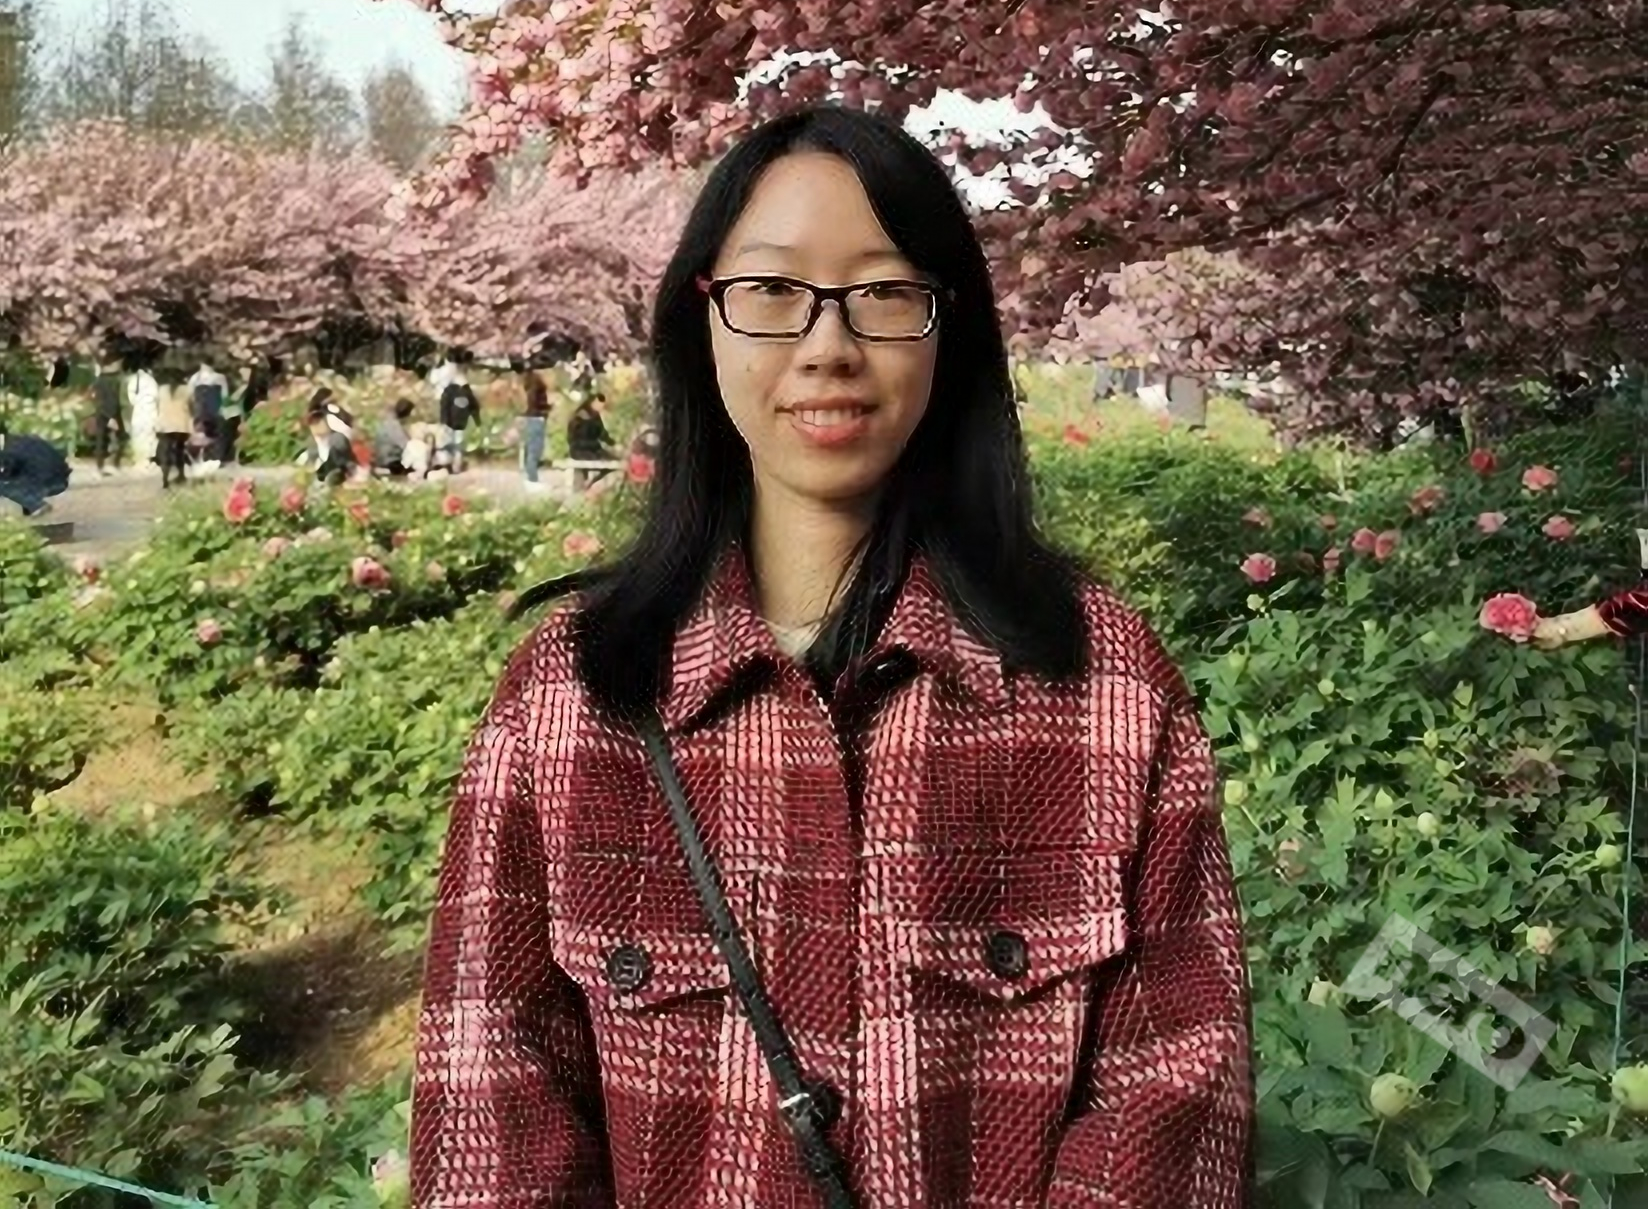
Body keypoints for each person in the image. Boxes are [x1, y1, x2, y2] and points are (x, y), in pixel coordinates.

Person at [411, 104, 1253, 1208]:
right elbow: (492, 1118)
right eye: (771, 290)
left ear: (948, 328)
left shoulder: (1103, 686)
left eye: (885, 293)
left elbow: (1177, 1099)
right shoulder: (570, 699)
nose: (827, 347)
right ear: (703, 321)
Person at [0, 425, 71, 516]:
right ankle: (29, 506)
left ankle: (36, 505)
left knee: (5, 484)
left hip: (47, 483)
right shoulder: (22, 440)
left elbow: (8, 471)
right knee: (21, 476)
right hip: (61, 480)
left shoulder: (8, 450)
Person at [437, 366, 481, 475]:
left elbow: (444, 406)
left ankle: (453, 466)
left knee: (452, 445)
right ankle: (454, 466)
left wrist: (443, 422)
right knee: (456, 445)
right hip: (457, 423)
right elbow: (474, 407)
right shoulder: (462, 390)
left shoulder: (453, 390)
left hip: (454, 422)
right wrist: (477, 421)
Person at [154, 372, 194, 489]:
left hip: (164, 424)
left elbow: (157, 406)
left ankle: (165, 478)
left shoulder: (161, 390)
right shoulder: (187, 390)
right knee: (179, 450)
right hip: (181, 424)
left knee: (165, 451)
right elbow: (192, 407)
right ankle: (181, 475)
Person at [189, 356, 229, 467]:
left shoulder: (216, 377)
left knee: (211, 433)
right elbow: (225, 395)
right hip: (207, 408)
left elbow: (224, 395)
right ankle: (207, 457)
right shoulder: (196, 378)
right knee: (206, 434)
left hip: (209, 408)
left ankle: (213, 458)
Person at [91, 359, 127, 475]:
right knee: (122, 437)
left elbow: (96, 397)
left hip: (100, 411)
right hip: (112, 412)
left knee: (101, 439)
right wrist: (112, 417)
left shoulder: (98, 380)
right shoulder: (114, 381)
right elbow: (113, 399)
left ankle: (100, 466)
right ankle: (115, 463)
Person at [309, 408, 355, 487]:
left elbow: (347, 461)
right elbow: (311, 464)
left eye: (319, 422)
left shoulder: (338, 439)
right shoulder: (312, 444)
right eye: (313, 424)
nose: (317, 427)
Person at [520, 367, 551, 484]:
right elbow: (535, 402)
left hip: (533, 417)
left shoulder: (531, 385)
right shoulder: (536, 387)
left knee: (531, 448)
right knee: (535, 449)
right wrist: (546, 408)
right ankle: (532, 478)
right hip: (537, 418)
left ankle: (530, 475)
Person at [565, 390, 614, 462]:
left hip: (593, 449)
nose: (600, 407)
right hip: (579, 450)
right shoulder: (580, 416)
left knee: (610, 457)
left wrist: (612, 443)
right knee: (599, 457)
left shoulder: (596, 416)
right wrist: (595, 444)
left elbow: (601, 432)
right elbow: (575, 439)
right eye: (598, 404)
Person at [373, 397, 417, 478]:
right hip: (390, 462)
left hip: (382, 459)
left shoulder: (386, 422)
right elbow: (406, 446)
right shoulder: (394, 426)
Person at [128, 364, 160, 474]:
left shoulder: (134, 379)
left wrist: (137, 402)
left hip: (138, 411)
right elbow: (157, 396)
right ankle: (146, 461)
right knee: (149, 437)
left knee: (138, 436)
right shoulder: (152, 381)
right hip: (150, 411)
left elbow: (131, 397)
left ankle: (139, 461)